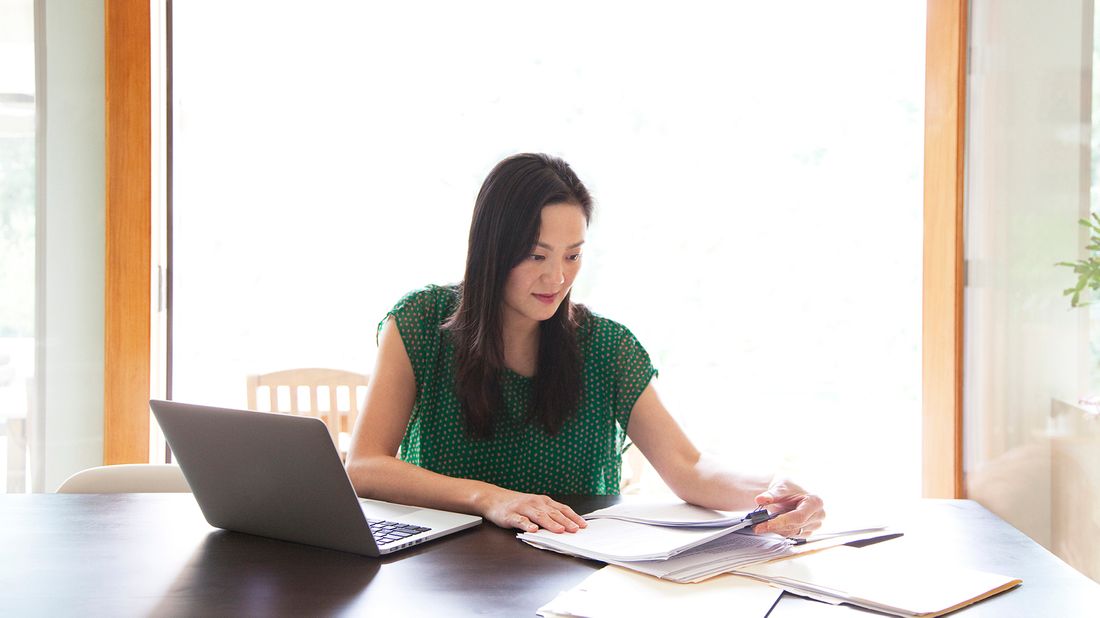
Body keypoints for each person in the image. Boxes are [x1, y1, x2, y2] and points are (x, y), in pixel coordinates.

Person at [345, 153, 824, 537]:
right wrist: (490, 497)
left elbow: (689, 467)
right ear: (492, 250)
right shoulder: (421, 322)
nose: (557, 278)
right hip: (441, 575)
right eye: (537, 256)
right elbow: (365, 466)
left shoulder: (606, 347)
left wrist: (775, 491)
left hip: (573, 570)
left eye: (573, 255)